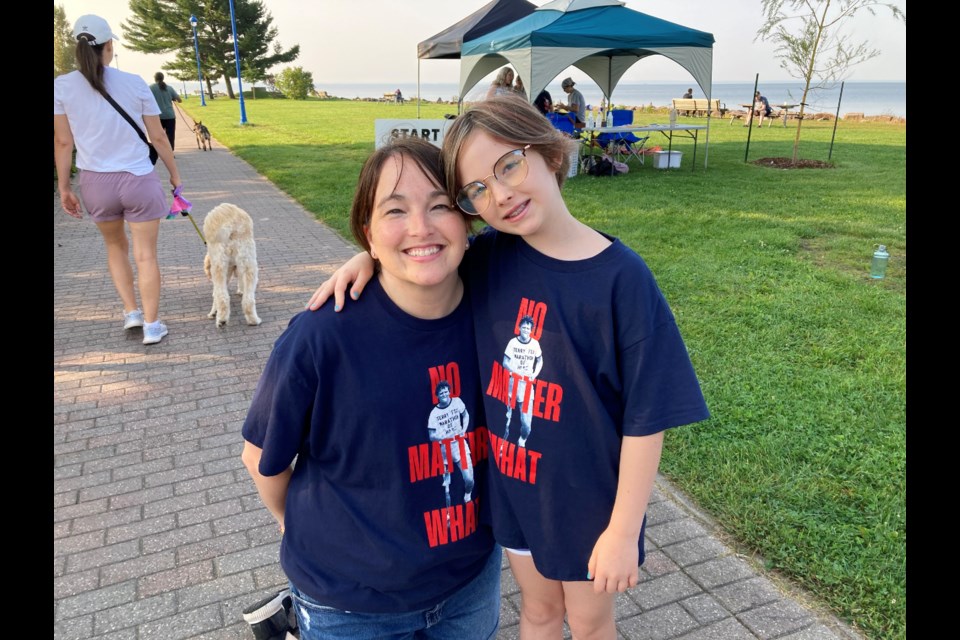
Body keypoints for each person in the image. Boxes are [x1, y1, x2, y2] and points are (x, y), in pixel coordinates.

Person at [306, 96, 710, 639]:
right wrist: (367, 257)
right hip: (515, 495)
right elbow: (424, 255)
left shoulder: (622, 281)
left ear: (548, 152)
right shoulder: (491, 258)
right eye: (476, 190)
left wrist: (623, 528)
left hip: (590, 504)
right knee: (539, 614)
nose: (499, 195)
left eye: (509, 166)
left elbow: (647, 417)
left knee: (590, 625)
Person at [241, 136, 500, 640]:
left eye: (441, 205)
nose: (421, 227)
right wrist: (294, 523)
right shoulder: (322, 335)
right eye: (395, 211)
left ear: (467, 217)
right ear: (367, 233)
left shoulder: (498, 303)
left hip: (469, 582)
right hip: (350, 605)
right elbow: (260, 458)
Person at [54, 14, 182, 345]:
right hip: (138, 179)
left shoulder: (62, 86)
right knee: (146, 255)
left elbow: (63, 142)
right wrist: (174, 175)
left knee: (115, 247)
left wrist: (64, 187)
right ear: (109, 46)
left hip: (96, 183)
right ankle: (153, 326)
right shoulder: (135, 82)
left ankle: (131, 313)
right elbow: (158, 137)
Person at [501, 315, 542, 449]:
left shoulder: (535, 344)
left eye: (528, 328)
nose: (525, 330)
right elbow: (505, 362)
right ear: (519, 328)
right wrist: (516, 371)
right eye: (523, 327)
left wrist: (534, 374)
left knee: (526, 424)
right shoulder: (513, 342)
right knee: (507, 419)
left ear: (531, 330)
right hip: (513, 384)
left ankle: (522, 439)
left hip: (527, 387)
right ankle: (502, 445)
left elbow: (540, 361)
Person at [149, 72, 182, 151]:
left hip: (157, 116)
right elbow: (179, 100)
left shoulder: (150, 88)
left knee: (157, 136)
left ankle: (159, 151)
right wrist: (172, 98)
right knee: (170, 135)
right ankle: (170, 152)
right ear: (163, 78)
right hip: (170, 115)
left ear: (155, 78)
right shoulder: (169, 88)